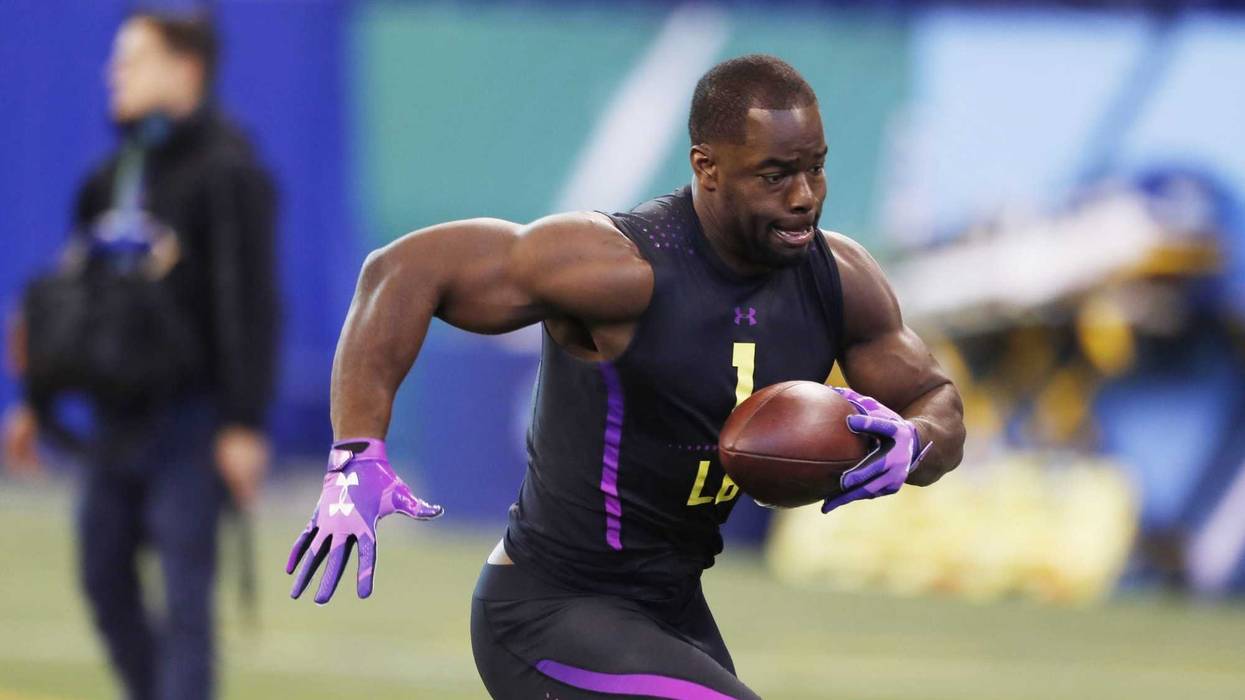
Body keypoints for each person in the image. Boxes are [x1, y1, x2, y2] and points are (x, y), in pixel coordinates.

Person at [286, 55, 964, 698]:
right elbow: (402, 270)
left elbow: (934, 399)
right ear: (706, 168)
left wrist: (912, 442)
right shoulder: (623, 266)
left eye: (815, 168)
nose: (805, 196)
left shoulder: (838, 278)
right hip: (551, 610)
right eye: (774, 175)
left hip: (670, 609)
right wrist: (355, 453)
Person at [2, 12, 278, 700]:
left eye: (132, 59)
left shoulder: (229, 173)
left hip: (190, 420)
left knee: (185, 600)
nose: (113, 73)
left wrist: (243, 422)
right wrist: (37, 402)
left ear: (185, 70)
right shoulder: (111, 178)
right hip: (114, 421)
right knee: (103, 577)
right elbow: (74, 303)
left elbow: (251, 303)